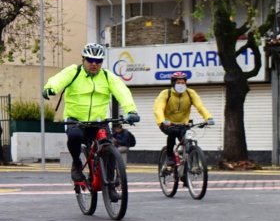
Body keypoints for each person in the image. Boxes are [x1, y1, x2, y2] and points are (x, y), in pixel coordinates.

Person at [41, 43, 141, 183]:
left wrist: (131, 110)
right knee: (75, 136)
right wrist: (50, 89)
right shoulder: (74, 72)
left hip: (99, 121)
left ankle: (111, 184)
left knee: (109, 146)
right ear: (83, 59)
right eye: (90, 60)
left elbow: (122, 91)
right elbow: (58, 80)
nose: (94, 64)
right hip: (75, 119)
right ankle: (76, 163)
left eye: (98, 61)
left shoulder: (107, 76)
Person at [154, 71, 214, 175]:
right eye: (178, 82)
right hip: (167, 123)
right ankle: (169, 157)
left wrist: (208, 117)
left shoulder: (191, 93)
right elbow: (158, 109)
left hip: (183, 124)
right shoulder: (165, 94)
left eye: (183, 82)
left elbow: (200, 107)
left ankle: (190, 165)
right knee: (172, 133)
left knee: (189, 140)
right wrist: (162, 121)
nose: (181, 85)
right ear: (173, 83)